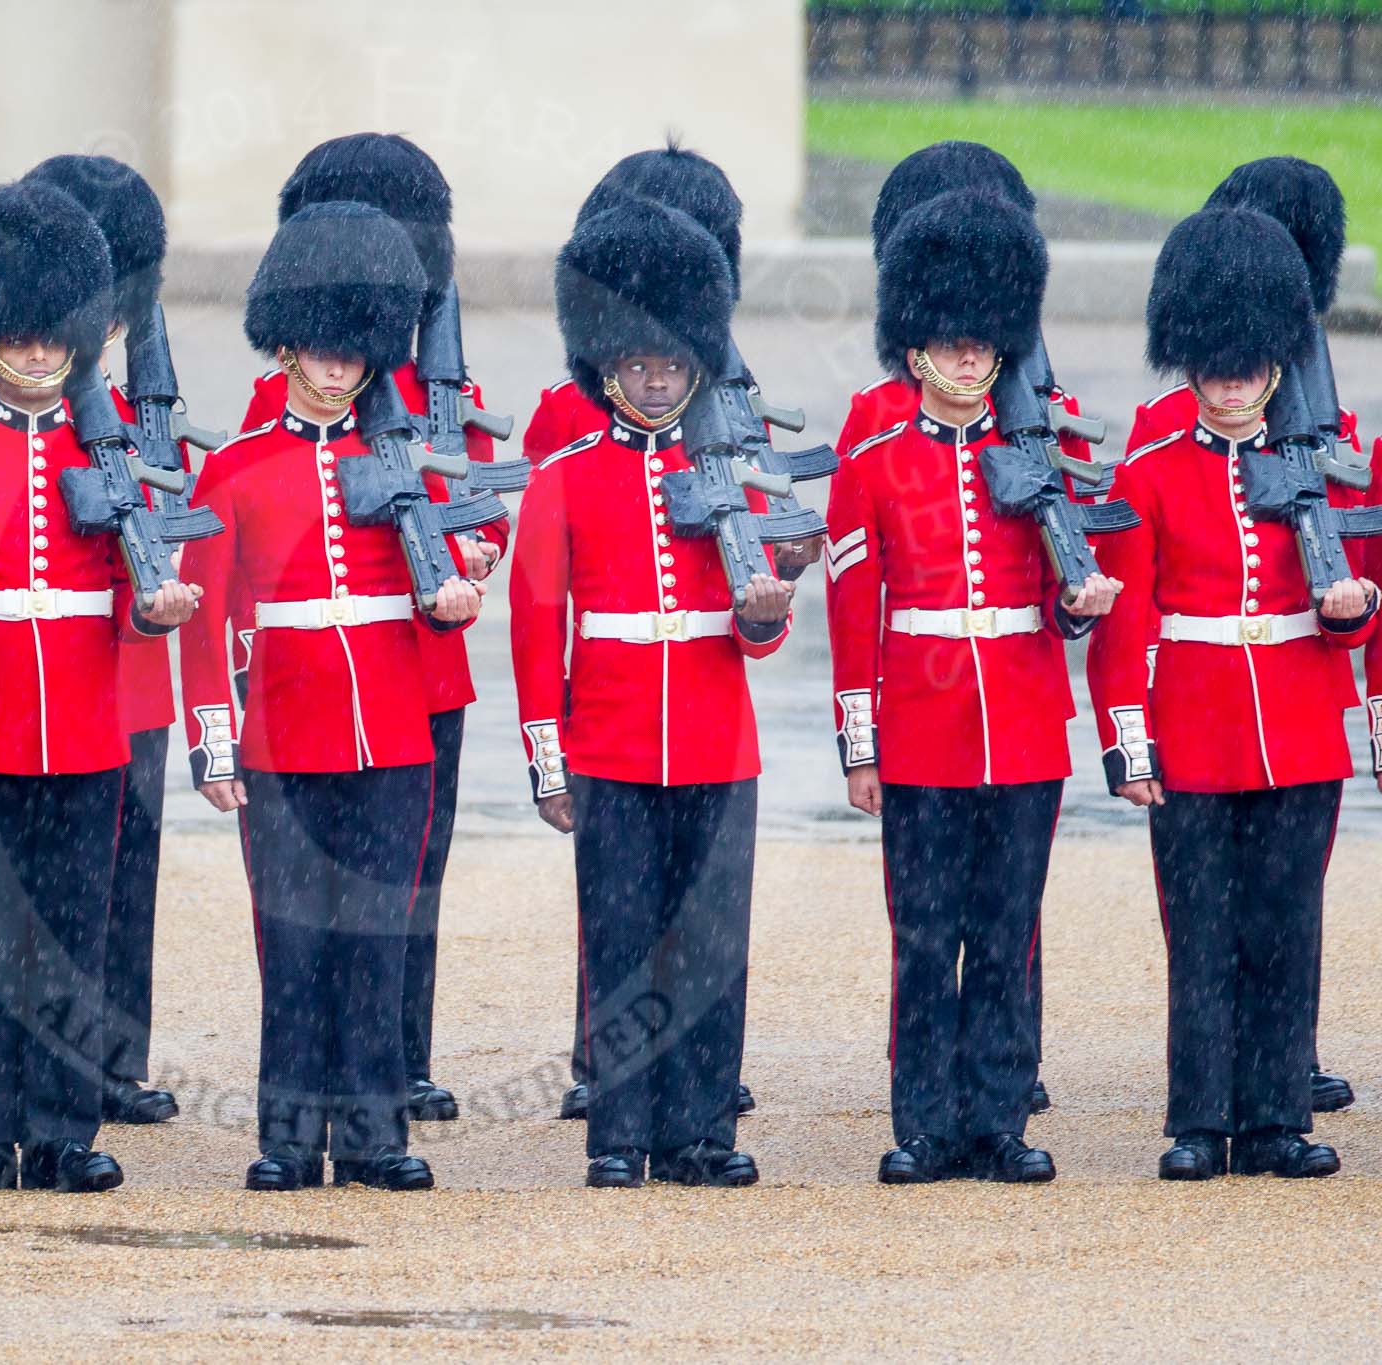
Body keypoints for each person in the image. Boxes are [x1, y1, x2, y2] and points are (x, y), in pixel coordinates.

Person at [0, 180, 196, 1195]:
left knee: (70, 937)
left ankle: (64, 1128)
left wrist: (156, 609)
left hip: (88, 729)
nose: (36, 357)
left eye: (50, 340)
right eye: (18, 341)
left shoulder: (108, 461)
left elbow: (130, 594)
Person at [180, 201, 484, 1192]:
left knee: (375, 938)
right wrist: (215, 746)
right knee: (295, 942)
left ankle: (372, 1136)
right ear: (287, 348)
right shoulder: (233, 470)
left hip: (391, 736)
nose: (338, 369)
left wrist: (457, 589)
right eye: (321, 350)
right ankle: (286, 1136)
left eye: (354, 352)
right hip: (280, 736)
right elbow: (205, 623)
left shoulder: (405, 467)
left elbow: (445, 593)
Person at [827, 188, 1119, 1185]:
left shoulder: (1039, 446)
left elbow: (1064, 600)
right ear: (913, 349)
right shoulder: (872, 453)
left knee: (1004, 933)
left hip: (1024, 719)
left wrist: (1082, 604)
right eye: (947, 344)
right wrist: (858, 742)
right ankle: (922, 1122)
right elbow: (849, 606)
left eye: (980, 346)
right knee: (922, 938)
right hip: (917, 719)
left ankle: (996, 1118)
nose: (964, 361)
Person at [1091, 205, 1376, 1181]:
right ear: (1192, 364)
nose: (1230, 382)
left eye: (1247, 368)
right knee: (1201, 933)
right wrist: (1128, 743)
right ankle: (1196, 1119)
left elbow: (1356, 619)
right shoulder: (1153, 471)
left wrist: (1348, 608)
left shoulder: (1321, 470)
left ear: (1272, 366)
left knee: (1284, 929)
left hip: (1295, 727)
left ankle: (1271, 1121)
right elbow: (1125, 626)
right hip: (1194, 727)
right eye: (1214, 368)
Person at [513, 196, 786, 1188]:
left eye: (671, 365)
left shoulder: (732, 477)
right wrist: (549, 760)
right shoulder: (566, 477)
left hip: (715, 740)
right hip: (611, 746)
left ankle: (699, 1131)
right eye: (636, 366)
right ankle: (620, 1133)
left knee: (708, 948)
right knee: (624, 944)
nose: (657, 381)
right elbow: (537, 630)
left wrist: (762, 611)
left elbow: (758, 629)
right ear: (605, 370)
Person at [237, 132, 500, 1124]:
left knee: (406, 882)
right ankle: (310, 1084)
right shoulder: (279, 405)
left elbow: (479, 498)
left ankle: (398, 1064)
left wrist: (475, 551)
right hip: (317, 685)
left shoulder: (442, 395)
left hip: (422, 667)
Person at [21, 152, 185, 1127]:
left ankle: (113, 1060)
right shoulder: (13, 427)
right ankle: (38, 1067)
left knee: (126, 884)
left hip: (131, 682)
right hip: (47, 682)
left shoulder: (138, 427)